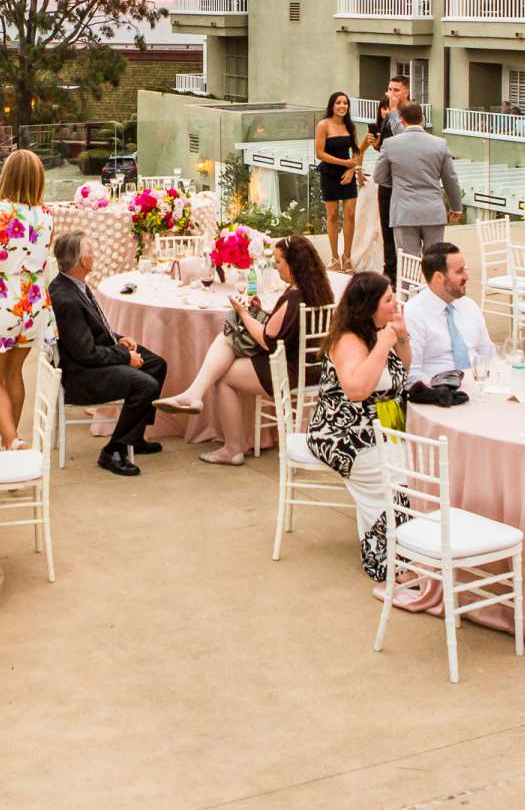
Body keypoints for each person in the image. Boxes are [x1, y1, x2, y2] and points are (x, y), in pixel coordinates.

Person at [156, 235, 339, 465]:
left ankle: (231, 448)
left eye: (279, 262)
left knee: (223, 375)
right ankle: (194, 394)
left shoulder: (293, 297)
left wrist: (242, 313)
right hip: (313, 369)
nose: (276, 267)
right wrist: (259, 311)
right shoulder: (319, 291)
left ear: (293, 264)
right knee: (227, 343)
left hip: (288, 371)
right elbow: (282, 330)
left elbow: (268, 340)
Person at [309, 272, 409, 579]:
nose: (396, 304)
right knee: (396, 479)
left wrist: (401, 337)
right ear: (369, 306)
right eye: (389, 300)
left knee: (413, 469)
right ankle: (388, 560)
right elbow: (355, 390)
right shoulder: (349, 341)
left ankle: (404, 550)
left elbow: (403, 369)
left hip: (379, 428)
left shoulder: (375, 331)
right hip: (342, 434)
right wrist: (383, 345)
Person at [46, 230, 166, 477]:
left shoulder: (72, 283)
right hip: (81, 375)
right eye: (91, 252)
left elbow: (91, 331)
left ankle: (135, 436)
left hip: (94, 357)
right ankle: (114, 450)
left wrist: (119, 340)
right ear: (83, 261)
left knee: (157, 364)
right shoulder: (66, 298)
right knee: (145, 384)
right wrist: (123, 356)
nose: (95, 256)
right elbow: (85, 354)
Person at [0, 150, 53, 449]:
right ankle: (10, 441)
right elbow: (40, 261)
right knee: (14, 373)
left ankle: (11, 439)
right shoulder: (47, 215)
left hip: (1, 300)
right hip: (33, 300)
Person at [374, 100, 463, 257]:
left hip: (404, 211)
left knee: (409, 264)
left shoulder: (390, 144)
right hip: (433, 211)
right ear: (422, 119)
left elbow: (378, 176)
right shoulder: (440, 144)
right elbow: (450, 179)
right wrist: (456, 207)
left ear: (402, 120)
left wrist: (396, 182)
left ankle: (410, 283)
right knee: (434, 261)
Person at [402, 240, 495, 381]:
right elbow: (412, 375)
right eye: (459, 271)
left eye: (465, 269)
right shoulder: (413, 314)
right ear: (439, 277)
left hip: (479, 386)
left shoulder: (469, 306)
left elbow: (487, 353)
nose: (467, 277)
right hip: (437, 394)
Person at [366, 79, 410, 274]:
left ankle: (404, 271)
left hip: (403, 182)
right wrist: (376, 144)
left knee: (402, 229)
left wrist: (393, 112)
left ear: (406, 92)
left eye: (396, 90)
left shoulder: (411, 113)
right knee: (386, 227)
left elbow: (404, 141)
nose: (391, 94)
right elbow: (387, 147)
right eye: (390, 89)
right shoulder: (388, 116)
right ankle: (390, 270)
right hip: (386, 180)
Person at [314, 92, 362, 272]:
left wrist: (351, 170)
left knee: (350, 214)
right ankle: (334, 258)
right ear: (332, 105)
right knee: (332, 215)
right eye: (338, 103)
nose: (342, 106)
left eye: (345, 103)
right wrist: (344, 163)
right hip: (329, 172)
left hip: (348, 173)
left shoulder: (350, 126)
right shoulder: (323, 125)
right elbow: (320, 153)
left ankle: (347, 256)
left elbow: (356, 151)